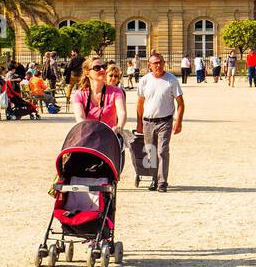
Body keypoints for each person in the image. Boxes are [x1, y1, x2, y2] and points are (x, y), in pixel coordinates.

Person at [136, 52, 185, 192]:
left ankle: (162, 182)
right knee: (150, 151)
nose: (158, 65)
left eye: (161, 62)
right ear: (149, 65)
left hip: (165, 121)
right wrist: (139, 122)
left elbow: (180, 103)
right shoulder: (144, 80)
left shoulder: (171, 80)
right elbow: (140, 103)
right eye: (155, 63)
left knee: (162, 151)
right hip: (148, 121)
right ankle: (154, 179)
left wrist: (178, 121)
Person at [73, 55, 127, 131]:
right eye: (97, 68)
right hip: (88, 136)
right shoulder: (79, 94)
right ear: (87, 73)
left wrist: (119, 126)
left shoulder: (116, 92)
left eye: (104, 67)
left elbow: (122, 113)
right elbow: (80, 118)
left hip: (109, 136)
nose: (102, 70)